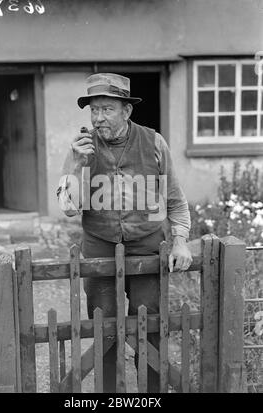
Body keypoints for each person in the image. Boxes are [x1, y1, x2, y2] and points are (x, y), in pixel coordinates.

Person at [57, 73, 192, 392]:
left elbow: (174, 198)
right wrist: (76, 163)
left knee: (150, 326)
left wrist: (181, 241)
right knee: (103, 326)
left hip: (147, 248)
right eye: (93, 110)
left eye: (106, 109)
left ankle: (152, 393)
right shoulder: (81, 147)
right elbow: (67, 206)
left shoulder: (154, 142)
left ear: (126, 111)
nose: (98, 117)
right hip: (100, 248)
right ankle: (106, 394)